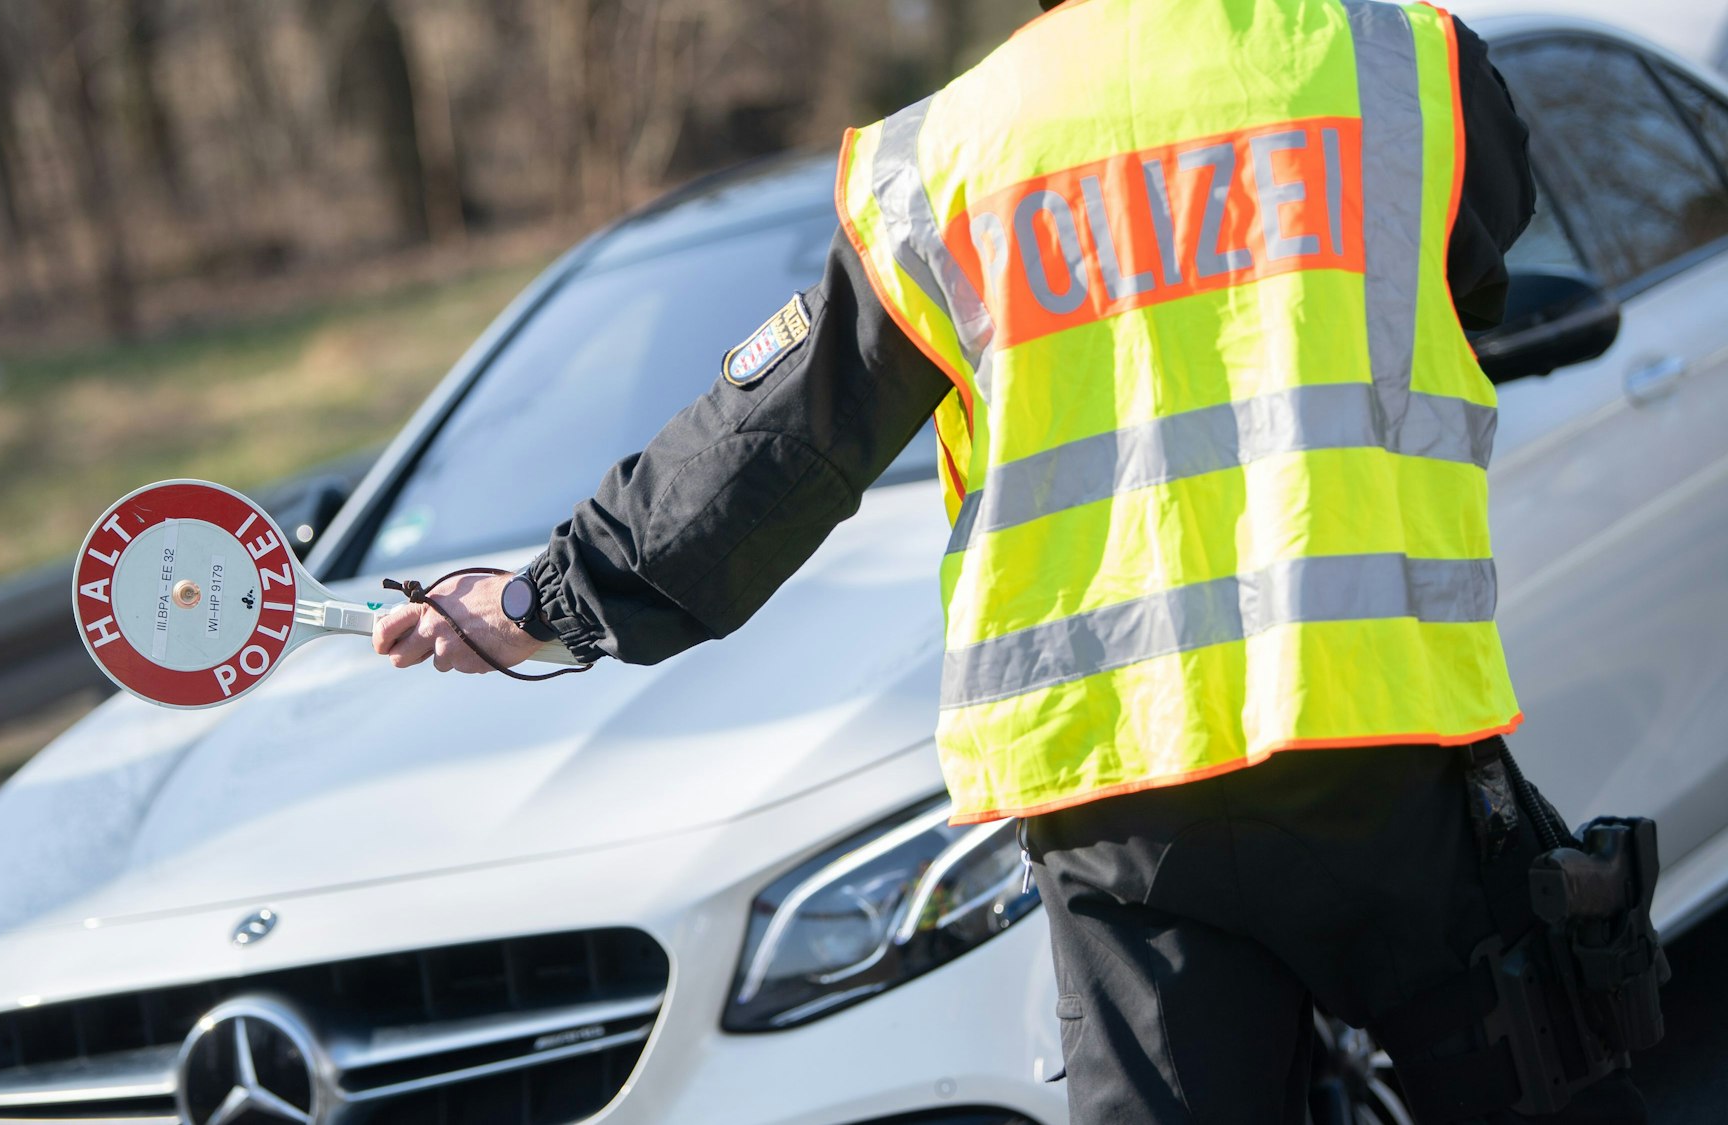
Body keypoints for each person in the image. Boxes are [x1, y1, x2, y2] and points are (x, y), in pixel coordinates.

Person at [374, 0, 1654, 1120]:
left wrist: (550, 596)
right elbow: (1477, 265)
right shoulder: (1399, 63)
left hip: (1113, 795)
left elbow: (775, 437)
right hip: (1378, 734)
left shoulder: (943, 157)